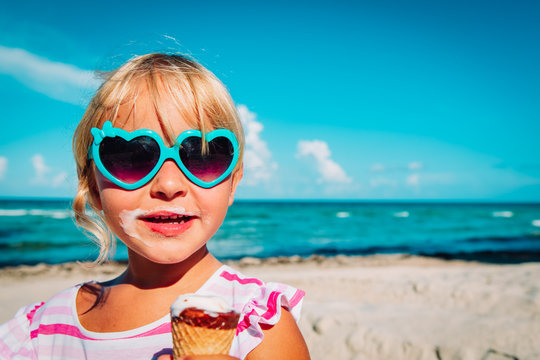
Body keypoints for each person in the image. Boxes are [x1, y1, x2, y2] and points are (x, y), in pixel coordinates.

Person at [0, 53, 310, 360]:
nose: (169, 186)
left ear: (233, 182)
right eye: (131, 157)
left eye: (202, 155)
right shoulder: (40, 332)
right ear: (94, 188)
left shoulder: (258, 325)